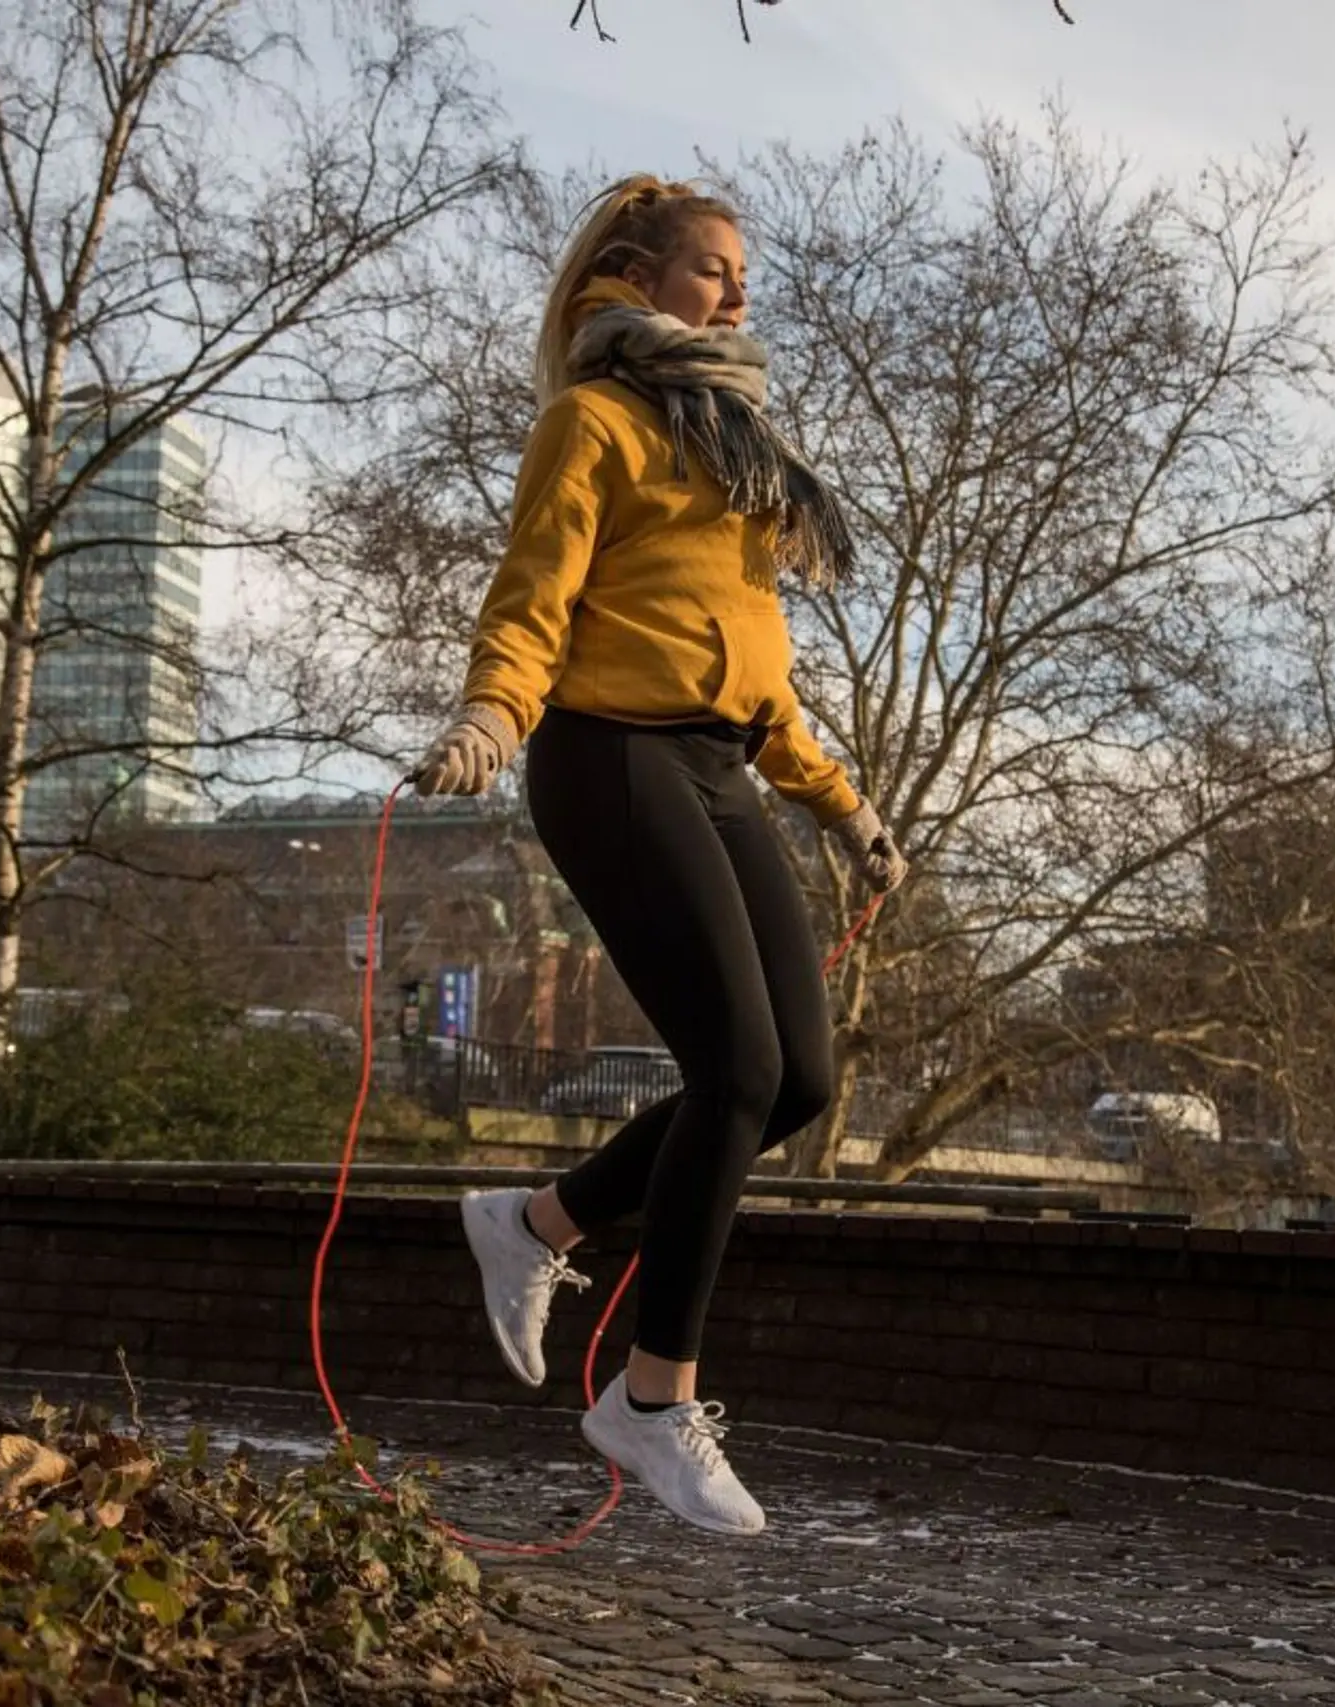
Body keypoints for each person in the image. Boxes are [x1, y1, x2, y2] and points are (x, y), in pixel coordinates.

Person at [412, 175, 907, 1537]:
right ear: (632, 276)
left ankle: (538, 1225)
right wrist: (487, 717)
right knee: (734, 1063)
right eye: (710, 268)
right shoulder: (595, 421)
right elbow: (533, 595)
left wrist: (846, 808)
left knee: (796, 1075)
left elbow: (758, 674)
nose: (736, 293)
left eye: (743, 273)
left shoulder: (731, 443)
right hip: (610, 752)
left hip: (718, 760)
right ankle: (649, 1397)